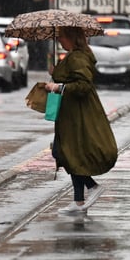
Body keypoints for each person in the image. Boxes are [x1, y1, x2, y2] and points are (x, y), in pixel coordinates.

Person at [45, 26, 118, 215]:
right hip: (70, 113)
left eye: (62, 37)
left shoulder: (77, 57)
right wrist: (55, 72)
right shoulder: (73, 56)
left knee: (66, 152)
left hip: (78, 114)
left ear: (71, 37)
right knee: (70, 153)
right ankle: (78, 201)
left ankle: (92, 186)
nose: (60, 40)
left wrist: (57, 86)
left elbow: (83, 85)